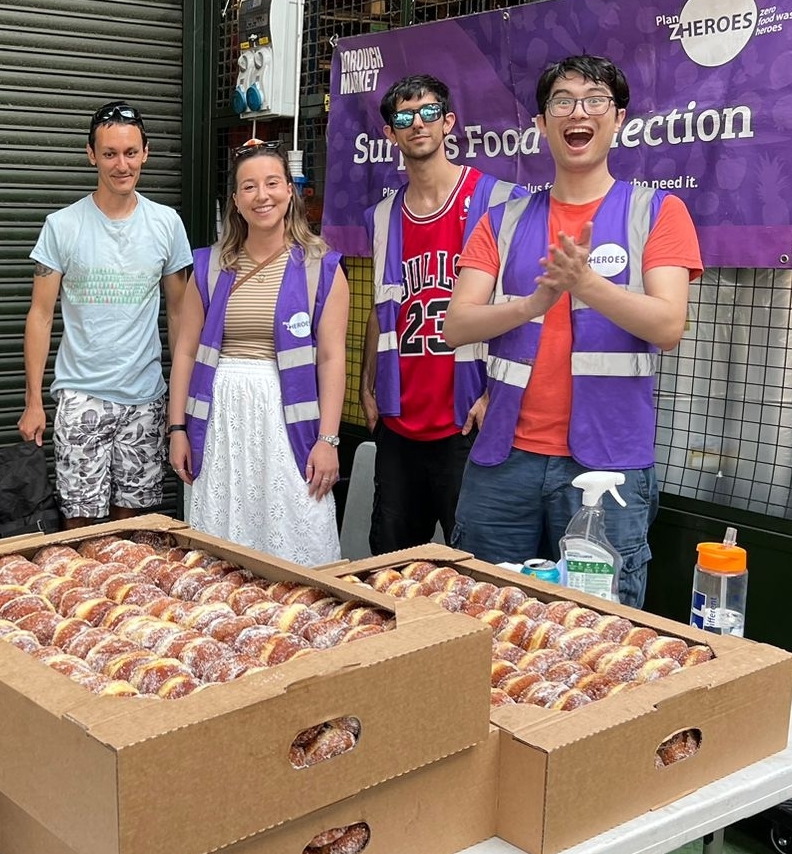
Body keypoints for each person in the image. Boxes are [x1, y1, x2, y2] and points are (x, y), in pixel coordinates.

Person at [444, 55, 704, 608]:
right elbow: (455, 325)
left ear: (619, 119)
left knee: (598, 628)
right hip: (503, 461)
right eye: (562, 101)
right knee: (484, 615)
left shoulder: (657, 212)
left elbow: (667, 325)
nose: (577, 112)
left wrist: (584, 283)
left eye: (594, 100)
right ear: (541, 124)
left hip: (607, 467)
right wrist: (536, 301)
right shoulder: (503, 219)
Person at [359, 74, 525, 553]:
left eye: (429, 112)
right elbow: (381, 307)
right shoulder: (384, 215)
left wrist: (500, 393)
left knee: (473, 561)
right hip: (399, 416)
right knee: (390, 564)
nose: (418, 125)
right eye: (404, 118)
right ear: (390, 133)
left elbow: (524, 310)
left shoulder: (498, 201)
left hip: (466, 418)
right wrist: (367, 387)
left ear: (449, 122)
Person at [167, 141, 348, 566]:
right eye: (249, 187)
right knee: (223, 535)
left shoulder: (321, 267)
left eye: (271, 183)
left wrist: (328, 439)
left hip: (290, 419)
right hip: (220, 418)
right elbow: (186, 353)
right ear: (235, 200)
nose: (261, 196)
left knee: (298, 523)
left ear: (290, 190)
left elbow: (331, 359)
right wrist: (177, 428)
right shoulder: (211, 266)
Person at [18, 101, 192, 529]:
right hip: (81, 395)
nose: (121, 164)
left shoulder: (167, 224)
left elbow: (179, 313)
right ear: (91, 154)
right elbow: (40, 316)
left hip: (145, 396)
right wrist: (34, 401)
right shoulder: (62, 226)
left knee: (133, 524)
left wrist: (180, 400)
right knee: (79, 521)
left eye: (130, 153)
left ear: (146, 153)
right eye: (110, 153)